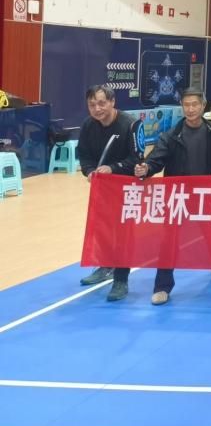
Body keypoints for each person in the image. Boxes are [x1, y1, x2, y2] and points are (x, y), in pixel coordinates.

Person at [129, 88, 211, 305]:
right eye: (186, 105)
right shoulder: (171, 136)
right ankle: (162, 287)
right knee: (169, 241)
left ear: (203, 106)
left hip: (205, 195)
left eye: (195, 104)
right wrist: (146, 169)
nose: (191, 109)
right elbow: (156, 159)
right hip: (177, 198)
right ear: (182, 107)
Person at [76, 85, 140, 291]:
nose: (97, 109)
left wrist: (113, 168)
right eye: (92, 104)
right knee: (102, 229)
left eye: (102, 103)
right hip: (102, 189)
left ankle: (121, 279)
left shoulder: (131, 124)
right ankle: (105, 266)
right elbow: (84, 155)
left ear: (113, 102)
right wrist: (89, 171)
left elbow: (137, 160)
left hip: (127, 188)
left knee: (122, 233)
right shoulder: (88, 125)